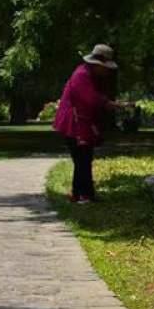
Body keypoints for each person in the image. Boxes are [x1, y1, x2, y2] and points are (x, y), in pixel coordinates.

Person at [53, 44, 132, 204]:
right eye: (105, 67)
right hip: (73, 122)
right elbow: (90, 99)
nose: (106, 71)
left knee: (84, 158)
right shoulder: (82, 75)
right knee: (81, 158)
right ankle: (81, 194)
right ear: (97, 64)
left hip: (81, 122)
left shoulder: (90, 75)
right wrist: (112, 104)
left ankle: (84, 193)